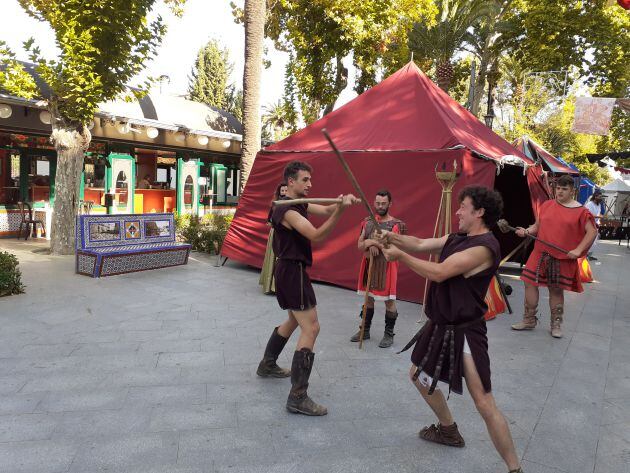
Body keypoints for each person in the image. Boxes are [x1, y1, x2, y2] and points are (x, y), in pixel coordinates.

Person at [376, 186, 523, 473]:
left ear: (479, 212)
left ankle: (515, 469)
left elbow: (440, 272)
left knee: (483, 402)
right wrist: (392, 236)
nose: (457, 211)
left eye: (463, 207)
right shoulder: (459, 237)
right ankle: (448, 430)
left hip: (465, 332)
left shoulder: (483, 247)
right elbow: (419, 243)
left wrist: (400, 257)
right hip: (442, 324)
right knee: (418, 374)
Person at [256, 160, 359, 416]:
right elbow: (316, 234)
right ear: (290, 182)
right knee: (311, 327)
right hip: (292, 272)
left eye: (310, 180)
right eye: (305, 180)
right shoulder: (286, 211)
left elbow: (322, 210)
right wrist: (341, 211)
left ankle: (267, 364)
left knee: (293, 320)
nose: (310, 184)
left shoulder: (296, 202)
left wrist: (339, 202)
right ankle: (297, 396)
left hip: (291, 270)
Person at [511, 174, 597, 338]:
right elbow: (537, 226)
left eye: (564, 189)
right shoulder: (547, 205)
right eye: (558, 188)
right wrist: (526, 231)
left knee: (556, 290)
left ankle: (556, 325)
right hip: (540, 252)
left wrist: (578, 250)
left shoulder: (581, 211)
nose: (560, 192)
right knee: (528, 283)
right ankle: (529, 320)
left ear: (572, 190)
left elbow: (592, 232)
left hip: (562, 257)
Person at [350, 189, 406, 347]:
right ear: (374, 203)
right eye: (378, 203)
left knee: (389, 301)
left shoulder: (397, 225)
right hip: (369, 265)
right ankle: (365, 330)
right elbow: (360, 245)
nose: (380, 206)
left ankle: (389, 334)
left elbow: (394, 247)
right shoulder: (367, 222)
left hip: (387, 267)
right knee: (368, 298)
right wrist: (371, 244)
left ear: (390, 204)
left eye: (384, 203)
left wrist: (374, 244)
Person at [259, 182, 288, 294]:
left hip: (287, 236)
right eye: (282, 191)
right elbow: (269, 220)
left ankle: (282, 287)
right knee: (273, 259)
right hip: (276, 233)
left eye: (286, 190)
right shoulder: (275, 204)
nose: (284, 193)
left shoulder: (293, 205)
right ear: (279, 192)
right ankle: (271, 287)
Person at [584, 189, 604, 261]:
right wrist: (599, 217)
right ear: (595, 196)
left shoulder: (599, 205)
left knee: (593, 242)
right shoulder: (589, 204)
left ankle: (589, 255)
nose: (601, 198)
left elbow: (598, 214)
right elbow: (588, 215)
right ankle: (584, 256)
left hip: (595, 225)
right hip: (589, 225)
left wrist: (599, 219)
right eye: (600, 196)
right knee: (588, 240)